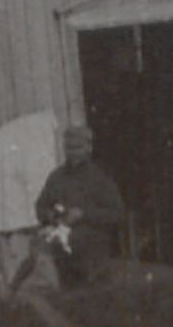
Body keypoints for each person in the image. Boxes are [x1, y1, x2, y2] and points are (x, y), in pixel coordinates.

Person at [33, 123, 127, 289]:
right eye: (69, 148)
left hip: (93, 252)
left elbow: (117, 214)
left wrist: (84, 214)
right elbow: (40, 207)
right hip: (62, 250)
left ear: (89, 148)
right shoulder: (56, 177)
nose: (73, 153)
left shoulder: (100, 178)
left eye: (77, 148)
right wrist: (53, 216)